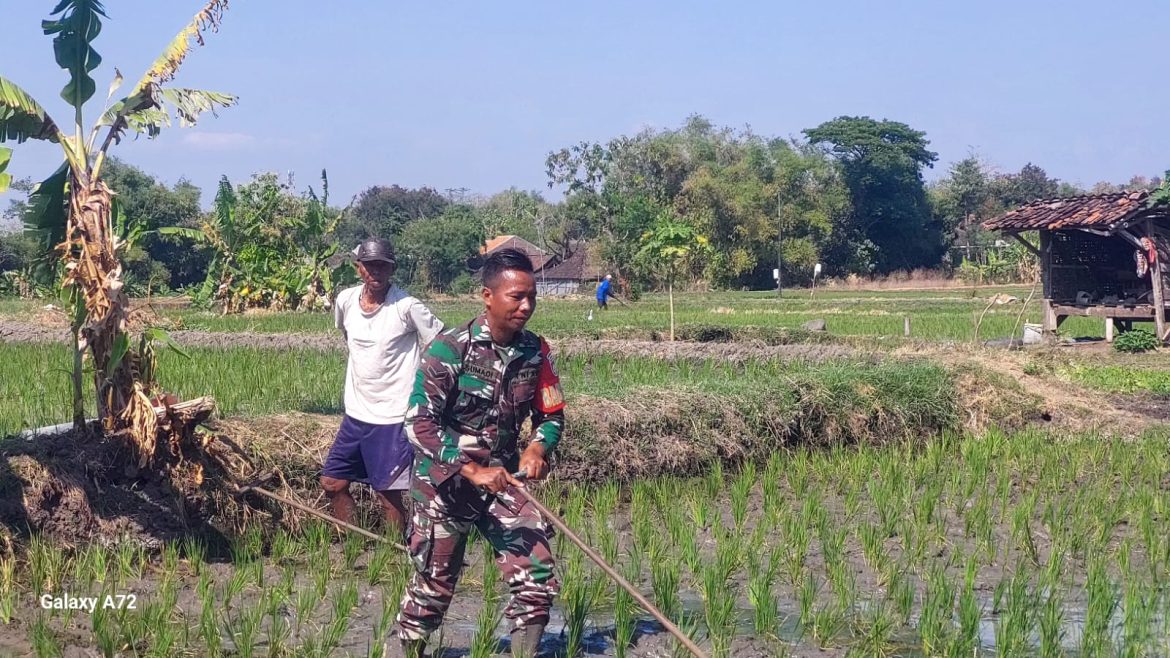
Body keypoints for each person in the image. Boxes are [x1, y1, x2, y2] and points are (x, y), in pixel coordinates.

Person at [391, 248, 566, 658]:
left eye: (532, 297)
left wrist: (538, 446)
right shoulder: (450, 350)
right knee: (434, 586)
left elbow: (552, 414)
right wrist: (470, 469)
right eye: (516, 297)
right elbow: (418, 423)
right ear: (488, 296)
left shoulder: (536, 353)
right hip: (444, 485)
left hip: (503, 480)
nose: (526, 306)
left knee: (536, 575)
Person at [320, 238, 443, 536]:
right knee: (333, 482)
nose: (376, 272)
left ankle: (391, 555)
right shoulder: (346, 300)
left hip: (392, 417)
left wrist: (426, 390)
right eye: (370, 266)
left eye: (383, 266)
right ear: (358, 268)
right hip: (356, 414)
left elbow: (441, 345)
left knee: (387, 493)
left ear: (392, 269)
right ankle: (353, 543)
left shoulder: (406, 307)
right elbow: (347, 336)